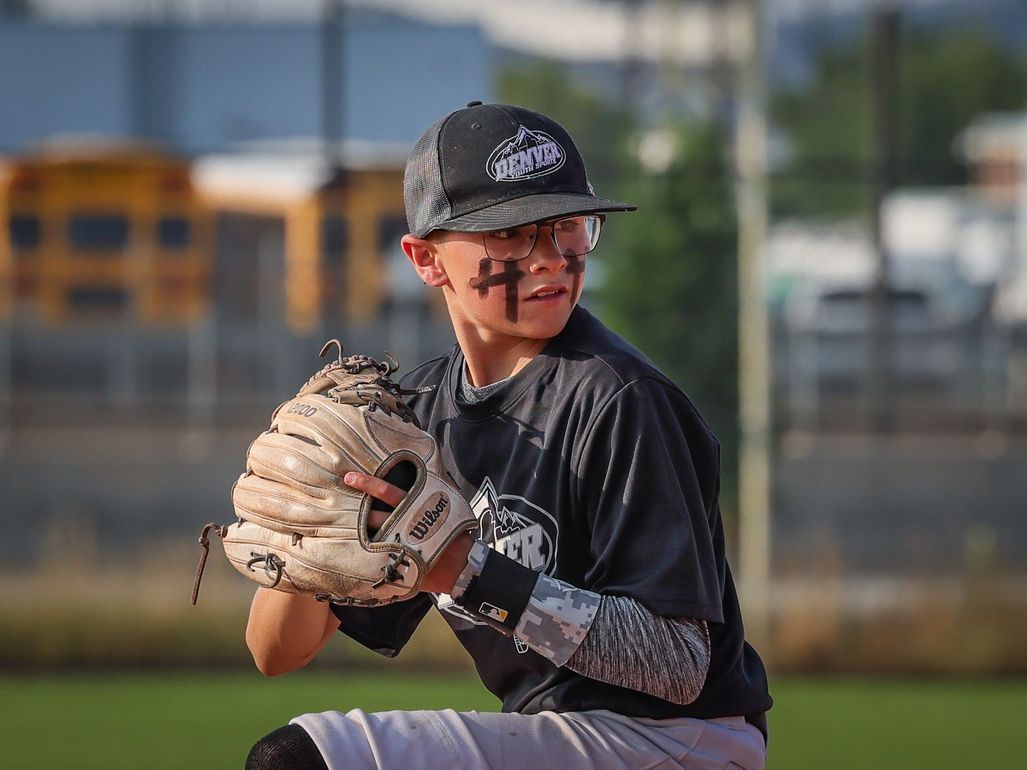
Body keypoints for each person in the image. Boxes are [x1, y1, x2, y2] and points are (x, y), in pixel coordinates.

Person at [243, 101, 772, 770]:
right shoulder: (415, 420)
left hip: (675, 738)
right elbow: (275, 654)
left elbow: (676, 665)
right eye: (513, 234)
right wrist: (311, 511)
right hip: (564, 738)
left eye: (567, 227)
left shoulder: (618, 400)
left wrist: (463, 572)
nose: (551, 258)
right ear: (424, 258)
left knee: (297, 761)